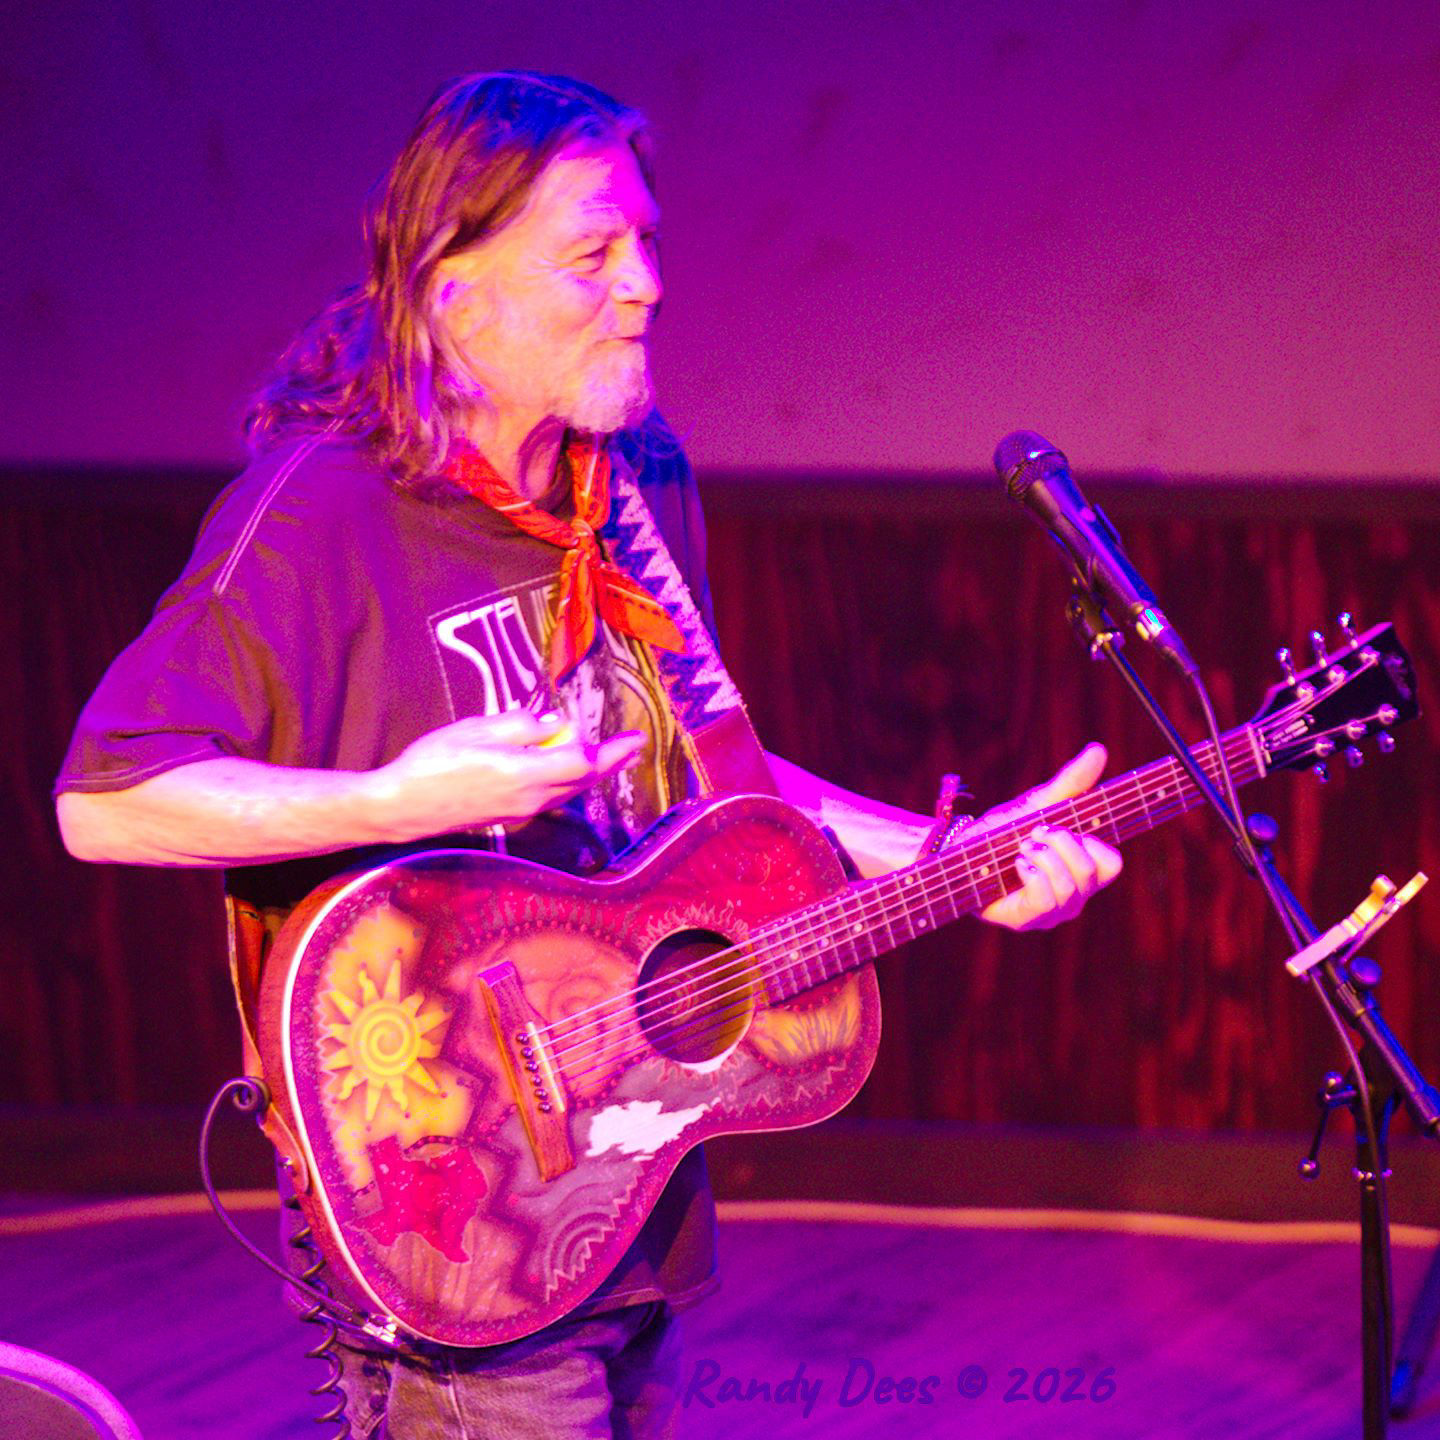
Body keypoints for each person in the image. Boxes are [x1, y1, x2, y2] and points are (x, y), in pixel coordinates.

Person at [54, 71, 1121, 1440]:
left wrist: (945, 857)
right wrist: (400, 797)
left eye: (647, 243)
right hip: (443, 1197)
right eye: (592, 255)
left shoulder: (632, 476)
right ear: (453, 291)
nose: (647, 285)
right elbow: (109, 799)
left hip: (627, 1172)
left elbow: (721, 777)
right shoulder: (322, 510)